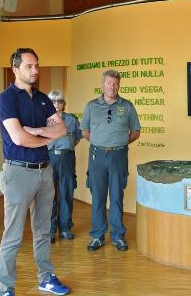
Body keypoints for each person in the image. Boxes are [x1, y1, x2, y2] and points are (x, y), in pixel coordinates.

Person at [0, 48, 70, 296]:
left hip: (44, 172)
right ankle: (5, 288)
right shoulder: (6, 99)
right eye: (29, 66)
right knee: (13, 235)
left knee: (43, 231)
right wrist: (41, 137)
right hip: (17, 173)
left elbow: (61, 130)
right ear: (15, 69)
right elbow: (17, 137)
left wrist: (36, 132)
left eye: (37, 65)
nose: (35, 70)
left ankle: (46, 277)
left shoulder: (43, 98)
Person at [81, 69, 141, 252]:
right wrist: (101, 144)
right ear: (102, 85)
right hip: (97, 156)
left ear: (119, 86)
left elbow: (135, 132)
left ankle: (118, 236)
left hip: (118, 156)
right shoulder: (91, 106)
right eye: (109, 83)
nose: (112, 87)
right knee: (98, 197)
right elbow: (84, 131)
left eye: (115, 84)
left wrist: (119, 143)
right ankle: (97, 236)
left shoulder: (128, 106)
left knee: (116, 197)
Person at [47, 90, 82, 243]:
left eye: (59, 102)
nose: (57, 105)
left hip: (67, 157)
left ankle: (65, 227)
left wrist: (66, 147)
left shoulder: (72, 120)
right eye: (53, 102)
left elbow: (77, 137)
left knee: (66, 192)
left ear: (63, 104)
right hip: (49, 157)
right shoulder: (44, 120)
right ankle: (50, 229)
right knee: (49, 195)